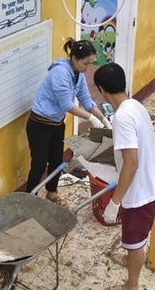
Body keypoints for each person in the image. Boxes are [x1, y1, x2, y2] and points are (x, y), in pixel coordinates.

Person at [93, 63, 155, 290]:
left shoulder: (122, 117)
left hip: (140, 192)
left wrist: (115, 202)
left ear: (102, 90)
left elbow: (131, 163)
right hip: (150, 181)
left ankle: (131, 287)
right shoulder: (134, 105)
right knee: (135, 238)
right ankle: (131, 259)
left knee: (134, 242)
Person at [26, 38, 111, 208]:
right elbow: (66, 105)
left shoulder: (77, 74)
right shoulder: (60, 73)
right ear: (74, 58)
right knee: (39, 164)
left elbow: (86, 99)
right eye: (86, 63)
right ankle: (29, 199)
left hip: (57, 124)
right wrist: (90, 118)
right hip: (40, 125)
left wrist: (103, 118)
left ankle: (51, 192)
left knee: (57, 161)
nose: (88, 68)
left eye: (91, 64)